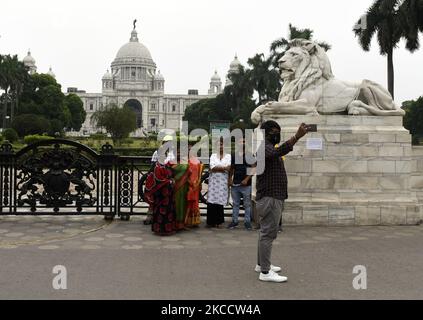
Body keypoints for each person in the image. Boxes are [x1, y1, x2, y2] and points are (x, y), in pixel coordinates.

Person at [256, 120, 308, 283]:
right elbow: (276, 153)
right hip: (270, 197)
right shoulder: (265, 148)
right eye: (274, 131)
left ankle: (261, 264)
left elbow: (276, 153)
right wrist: (296, 137)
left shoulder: (268, 147)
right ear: (266, 133)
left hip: (272, 196)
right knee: (268, 234)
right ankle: (265, 272)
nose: (277, 134)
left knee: (265, 232)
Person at [144, 161, 177, 236]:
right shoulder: (157, 166)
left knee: (169, 209)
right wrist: (169, 181)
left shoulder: (167, 165)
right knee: (160, 210)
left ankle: (169, 229)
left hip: (169, 192)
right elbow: (158, 178)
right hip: (160, 193)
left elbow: (172, 174)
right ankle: (159, 229)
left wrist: (172, 180)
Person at [228, 136, 254, 231]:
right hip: (235, 184)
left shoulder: (249, 155)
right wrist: (230, 179)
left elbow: (253, 168)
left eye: (243, 141)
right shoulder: (234, 155)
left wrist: (247, 179)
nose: (242, 143)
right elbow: (232, 168)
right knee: (235, 204)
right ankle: (234, 221)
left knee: (247, 204)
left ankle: (247, 222)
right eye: (240, 141)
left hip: (246, 185)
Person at [206, 138, 231, 228]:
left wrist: (218, 168)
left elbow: (229, 168)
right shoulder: (213, 155)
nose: (220, 146)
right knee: (212, 201)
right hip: (213, 183)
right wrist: (224, 168)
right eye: (218, 144)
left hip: (223, 182)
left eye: (222, 144)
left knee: (220, 202)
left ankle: (218, 222)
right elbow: (212, 167)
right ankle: (210, 222)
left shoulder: (228, 156)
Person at [169, 152, 190, 231]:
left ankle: (182, 223)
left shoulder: (184, 163)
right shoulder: (171, 163)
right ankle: (175, 223)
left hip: (184, 186)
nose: (179, 154)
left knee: (183, 203)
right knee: (176, 204)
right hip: (175, 186)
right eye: (177, 153)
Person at [185, 143, 204, 228]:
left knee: (195, 202)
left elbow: (200, 173)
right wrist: (189, 182)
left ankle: (194, 221)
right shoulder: (184, 160)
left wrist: (199, 184)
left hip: (196, 185)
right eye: (188, 149)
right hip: (187, 184)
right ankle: (186, 221)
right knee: (187, 202)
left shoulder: (197, 160)